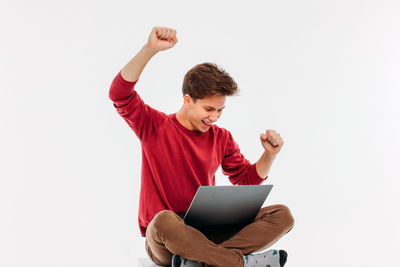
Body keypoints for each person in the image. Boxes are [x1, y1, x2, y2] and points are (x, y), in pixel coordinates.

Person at [109, 26, 294, 267]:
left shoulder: (221, 137)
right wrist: (150, 49)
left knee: (282, 215)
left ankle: (201, 262)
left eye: (220, 110)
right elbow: (119, 94)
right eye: (209, 109)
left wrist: (269, 155)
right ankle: (240, 263)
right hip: (167, 239)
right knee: (164, 220)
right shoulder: (154, 126)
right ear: (188, 100)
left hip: (209, 232)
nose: (215, 117)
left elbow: (246, 179)